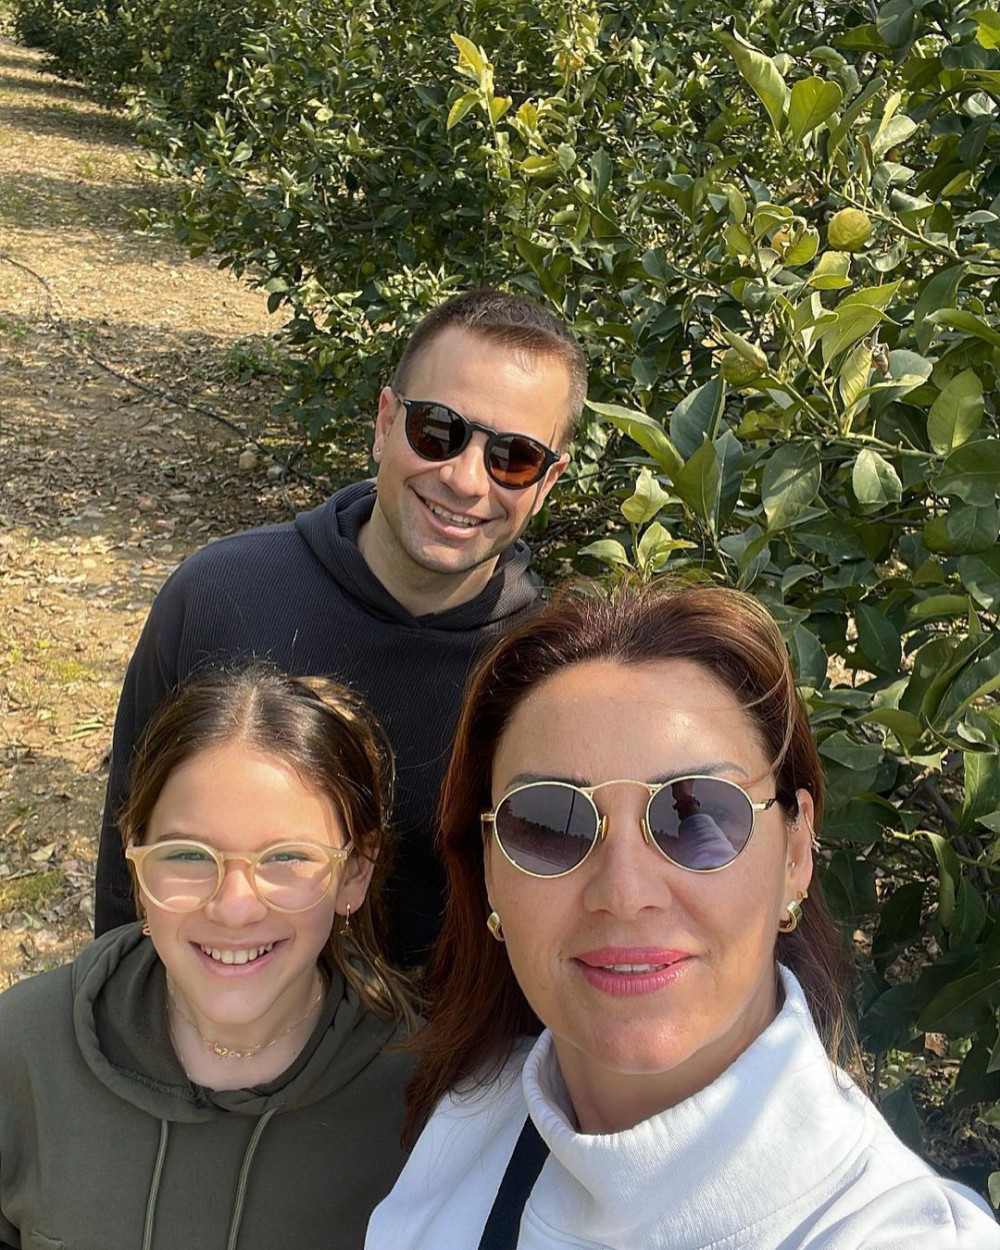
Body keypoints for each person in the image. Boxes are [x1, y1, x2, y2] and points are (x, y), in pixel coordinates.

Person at [366, 583, 1000, 1249]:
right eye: (550, 821)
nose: (624, 890)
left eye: (695, 813)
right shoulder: (473, 1119)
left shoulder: (904, 1233)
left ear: (795, 852)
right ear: (489, 870)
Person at [95, 288, 587, 965]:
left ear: (549, 481)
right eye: (438, 430)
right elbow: (134, 857)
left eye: (514, 458)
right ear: (385, 423)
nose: (467, 479)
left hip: (435, 1061)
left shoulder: (547, 678)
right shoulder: (219, 593)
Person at [1, 666, 414, 1249]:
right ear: (138, 869)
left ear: (354, 875)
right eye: (190, 856)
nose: (235, 907)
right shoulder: (23, 1049)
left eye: (287, 857)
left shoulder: (425, 1101)